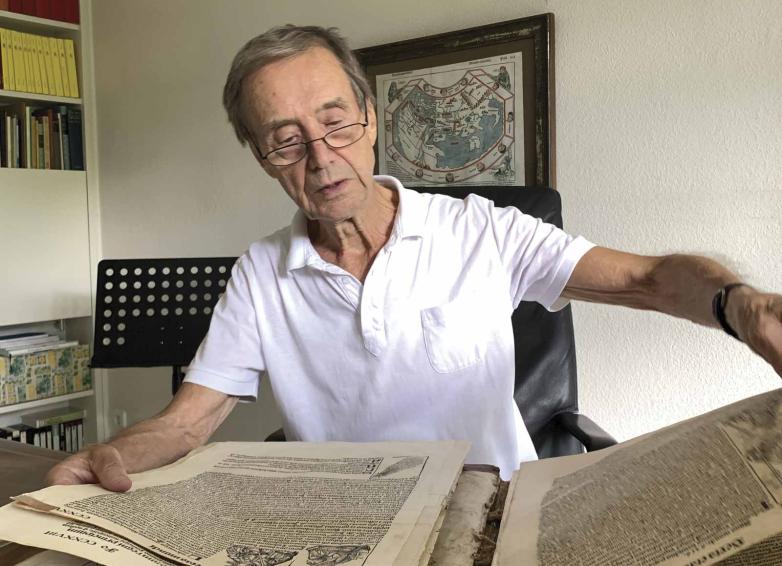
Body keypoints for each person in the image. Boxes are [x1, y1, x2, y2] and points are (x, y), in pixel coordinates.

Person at [47, 25, 782, 490]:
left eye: (335, 123)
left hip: (495, 513)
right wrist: (107, 456)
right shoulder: (260, 274)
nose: (321, 158)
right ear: (262, 157)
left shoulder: (483, 230)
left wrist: (737, 305)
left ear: (370, 119)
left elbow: (649, 280)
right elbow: (186, 424)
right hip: (348, 529)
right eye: (286, 140)